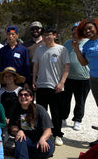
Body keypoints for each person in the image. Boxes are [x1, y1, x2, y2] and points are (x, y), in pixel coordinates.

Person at [32, 26, 70, 146]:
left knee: (56, 113)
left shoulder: (61, 49)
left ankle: (57, 134)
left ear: (55, 35)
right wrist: (34, 79)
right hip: (41, 85)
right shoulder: (39, 49)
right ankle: (42, 134)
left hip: (56, 87)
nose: (46, 37)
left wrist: (62, 82)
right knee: (41, 112)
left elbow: (67, 67)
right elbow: (36, 66)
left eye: (49, 34)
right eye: (44, 35)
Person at [8, 88, 55, 159]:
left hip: (40, 139)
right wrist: (18, 131)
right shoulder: (15, 109)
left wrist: (43, 139)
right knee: (20, 138)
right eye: (21, 95)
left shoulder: (39, 109)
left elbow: (48, 130)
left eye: (26, 95)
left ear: (31, 98)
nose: (23, 97)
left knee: (46, 150)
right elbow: (12, 128)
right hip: (26, 139)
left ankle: (18, 152)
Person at [72, 18, 98, 146]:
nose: (88, 31)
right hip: (94, 78)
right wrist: (76, 48)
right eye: (85, 30)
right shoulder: (87, 45)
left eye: (90, 28)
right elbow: (84, 62)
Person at [63, 23, 90, 131]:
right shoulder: (67, 43)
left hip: (83, 78)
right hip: (68, 77)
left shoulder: (88, 43)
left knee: (80, 101)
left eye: (78, 29)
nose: (75, 32)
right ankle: (63, 118)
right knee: (65, 100)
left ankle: (77, 120)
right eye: (74, 29)